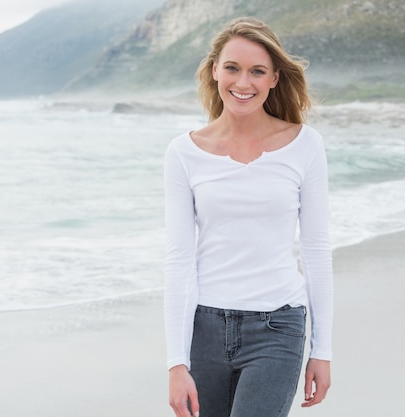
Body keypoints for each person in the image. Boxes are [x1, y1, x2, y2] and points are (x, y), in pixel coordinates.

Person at [164, 17, 333, 417]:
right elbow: (178, 259)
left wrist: (322, 350)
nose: (243, 82)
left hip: (278, 328)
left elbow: (316, 250)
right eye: (232, 68)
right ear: (214, 72)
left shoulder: (305, 145)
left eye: (257, 71)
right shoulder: (183, 153)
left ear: (274, 78)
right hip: (203, 329)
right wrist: (175, 362)